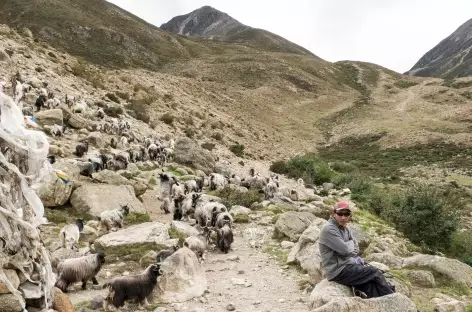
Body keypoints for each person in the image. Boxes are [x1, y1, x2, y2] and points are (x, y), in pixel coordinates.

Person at [318, 201, 394, 299]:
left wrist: (348, 248)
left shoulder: (346, 228)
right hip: (338, 271)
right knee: (375, 272)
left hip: (347, 266)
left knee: (370, 284)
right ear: (333, 213)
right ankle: (394, 300)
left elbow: (356, 248)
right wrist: (349, 245)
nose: (343, 217)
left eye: (346, 214)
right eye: (340, 213)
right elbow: (346, 250)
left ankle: (381, 305)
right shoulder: (329, 229)